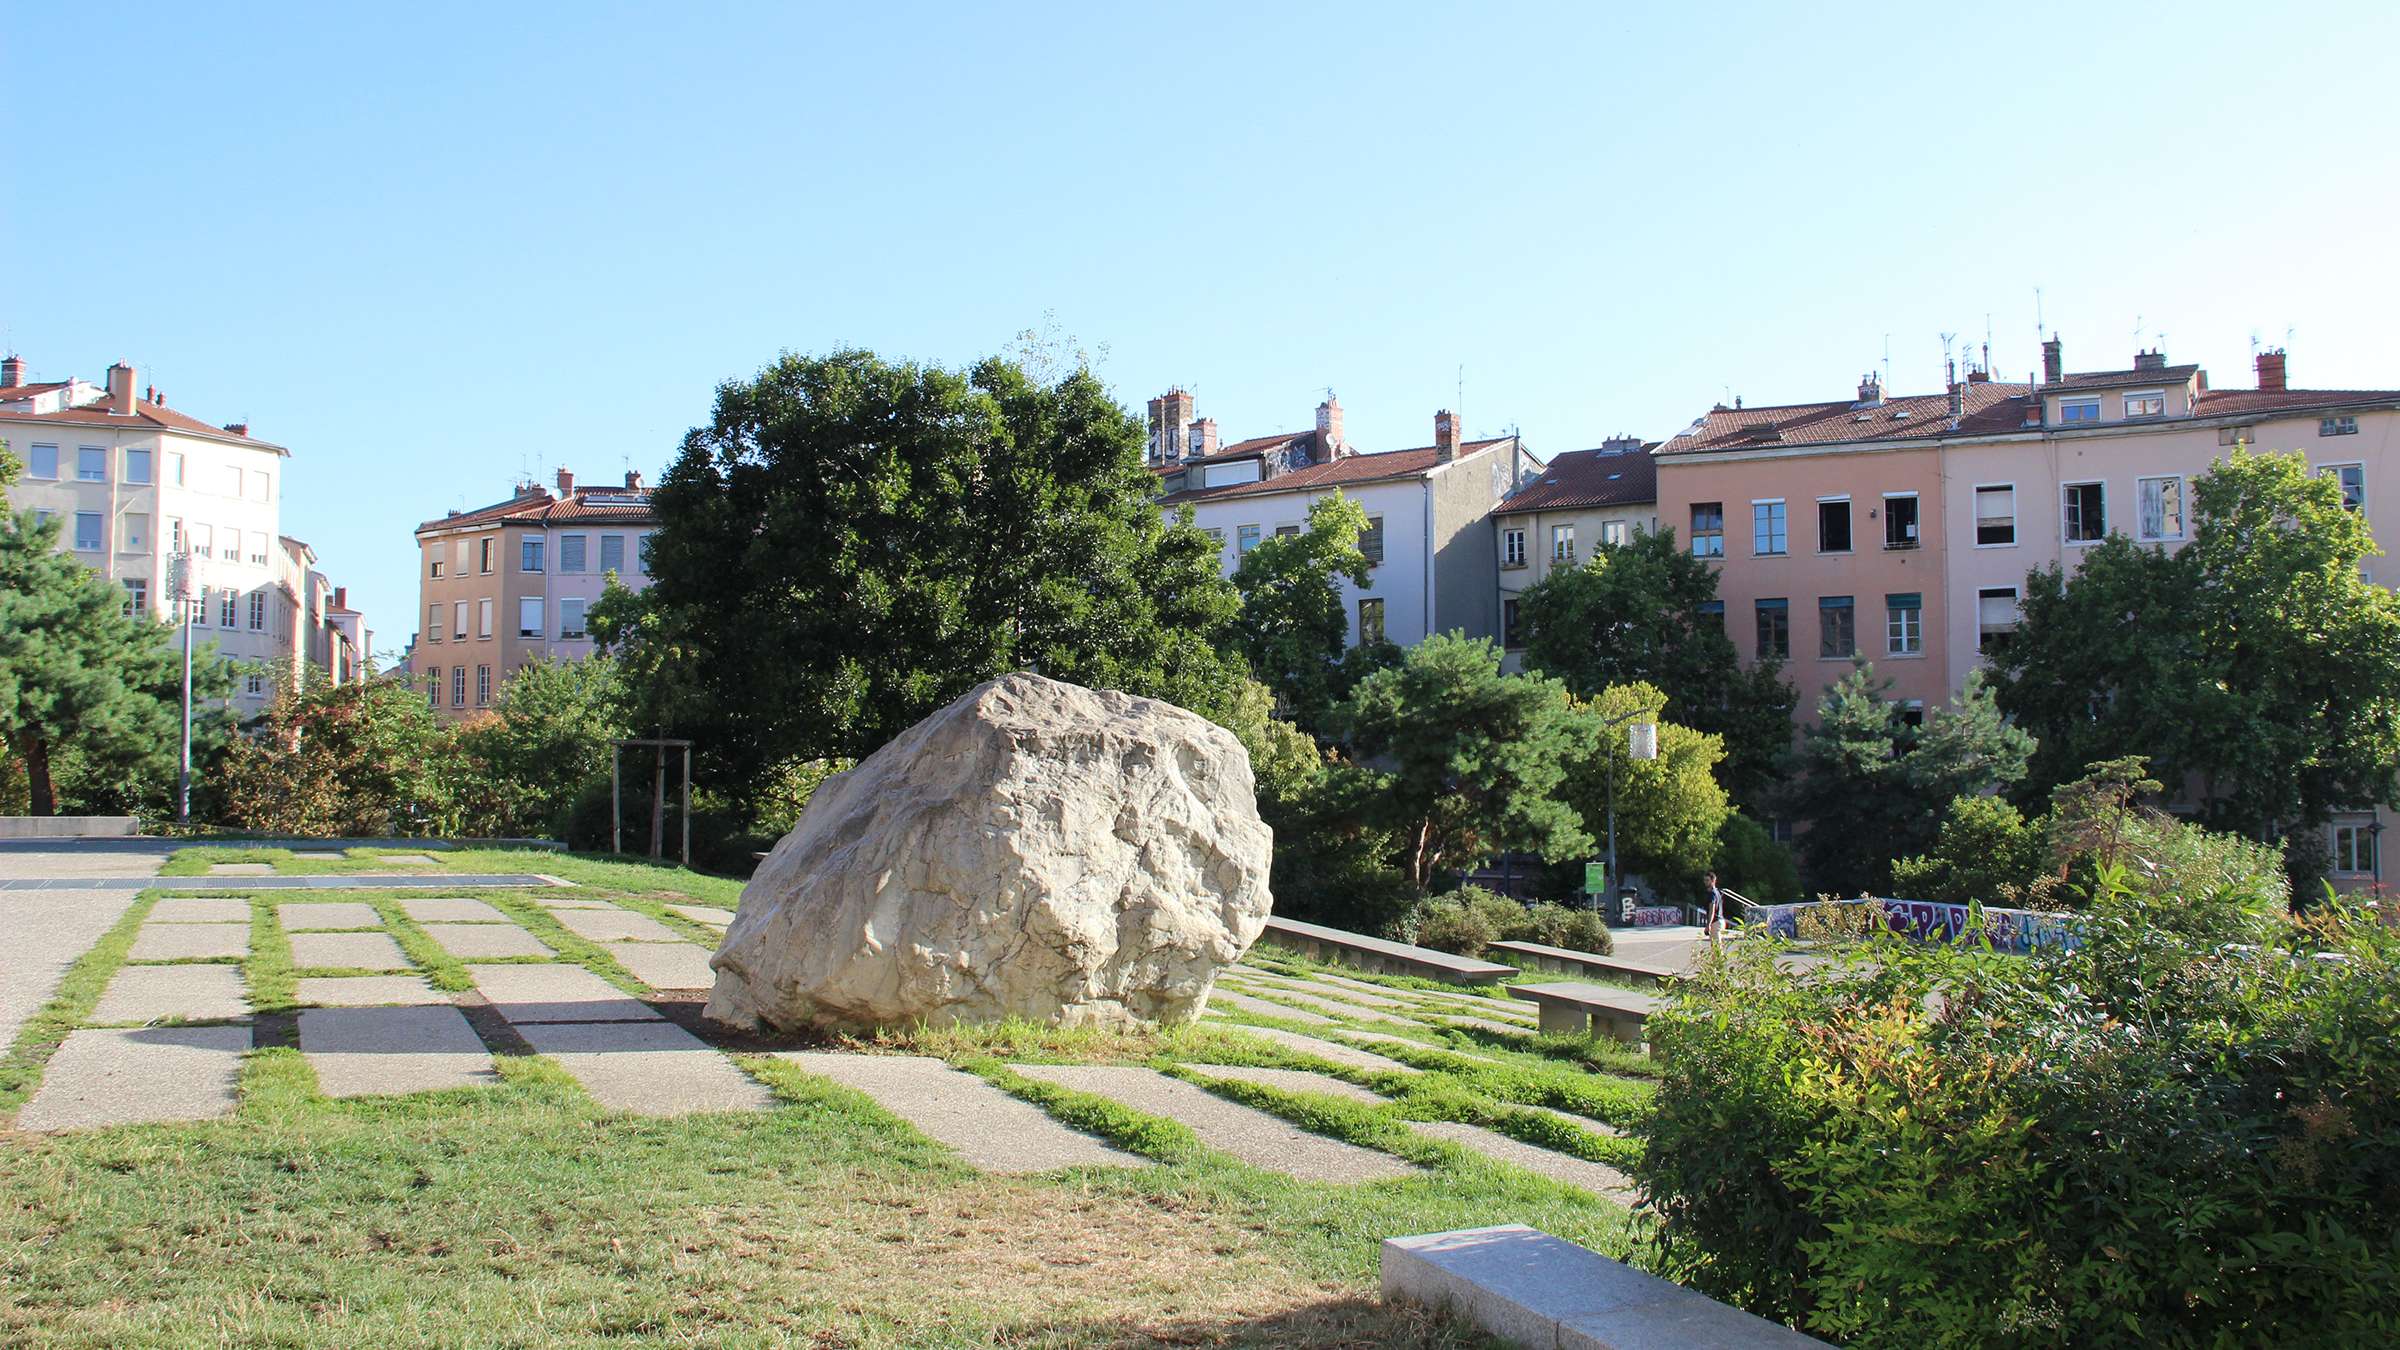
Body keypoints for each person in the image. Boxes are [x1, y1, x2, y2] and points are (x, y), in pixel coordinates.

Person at [1703, 870, 1725, 947]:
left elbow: (1712, 910)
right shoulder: (1717, 892)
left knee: (1717, 949)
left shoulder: (1712, 893)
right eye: (1705, 880)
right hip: (1719, 922)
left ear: (1713, 881)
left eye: (1707, 880)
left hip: (1716, 922)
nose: (1705, 882)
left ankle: (1719, 959)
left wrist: (1708, 925)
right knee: (1715, 948)